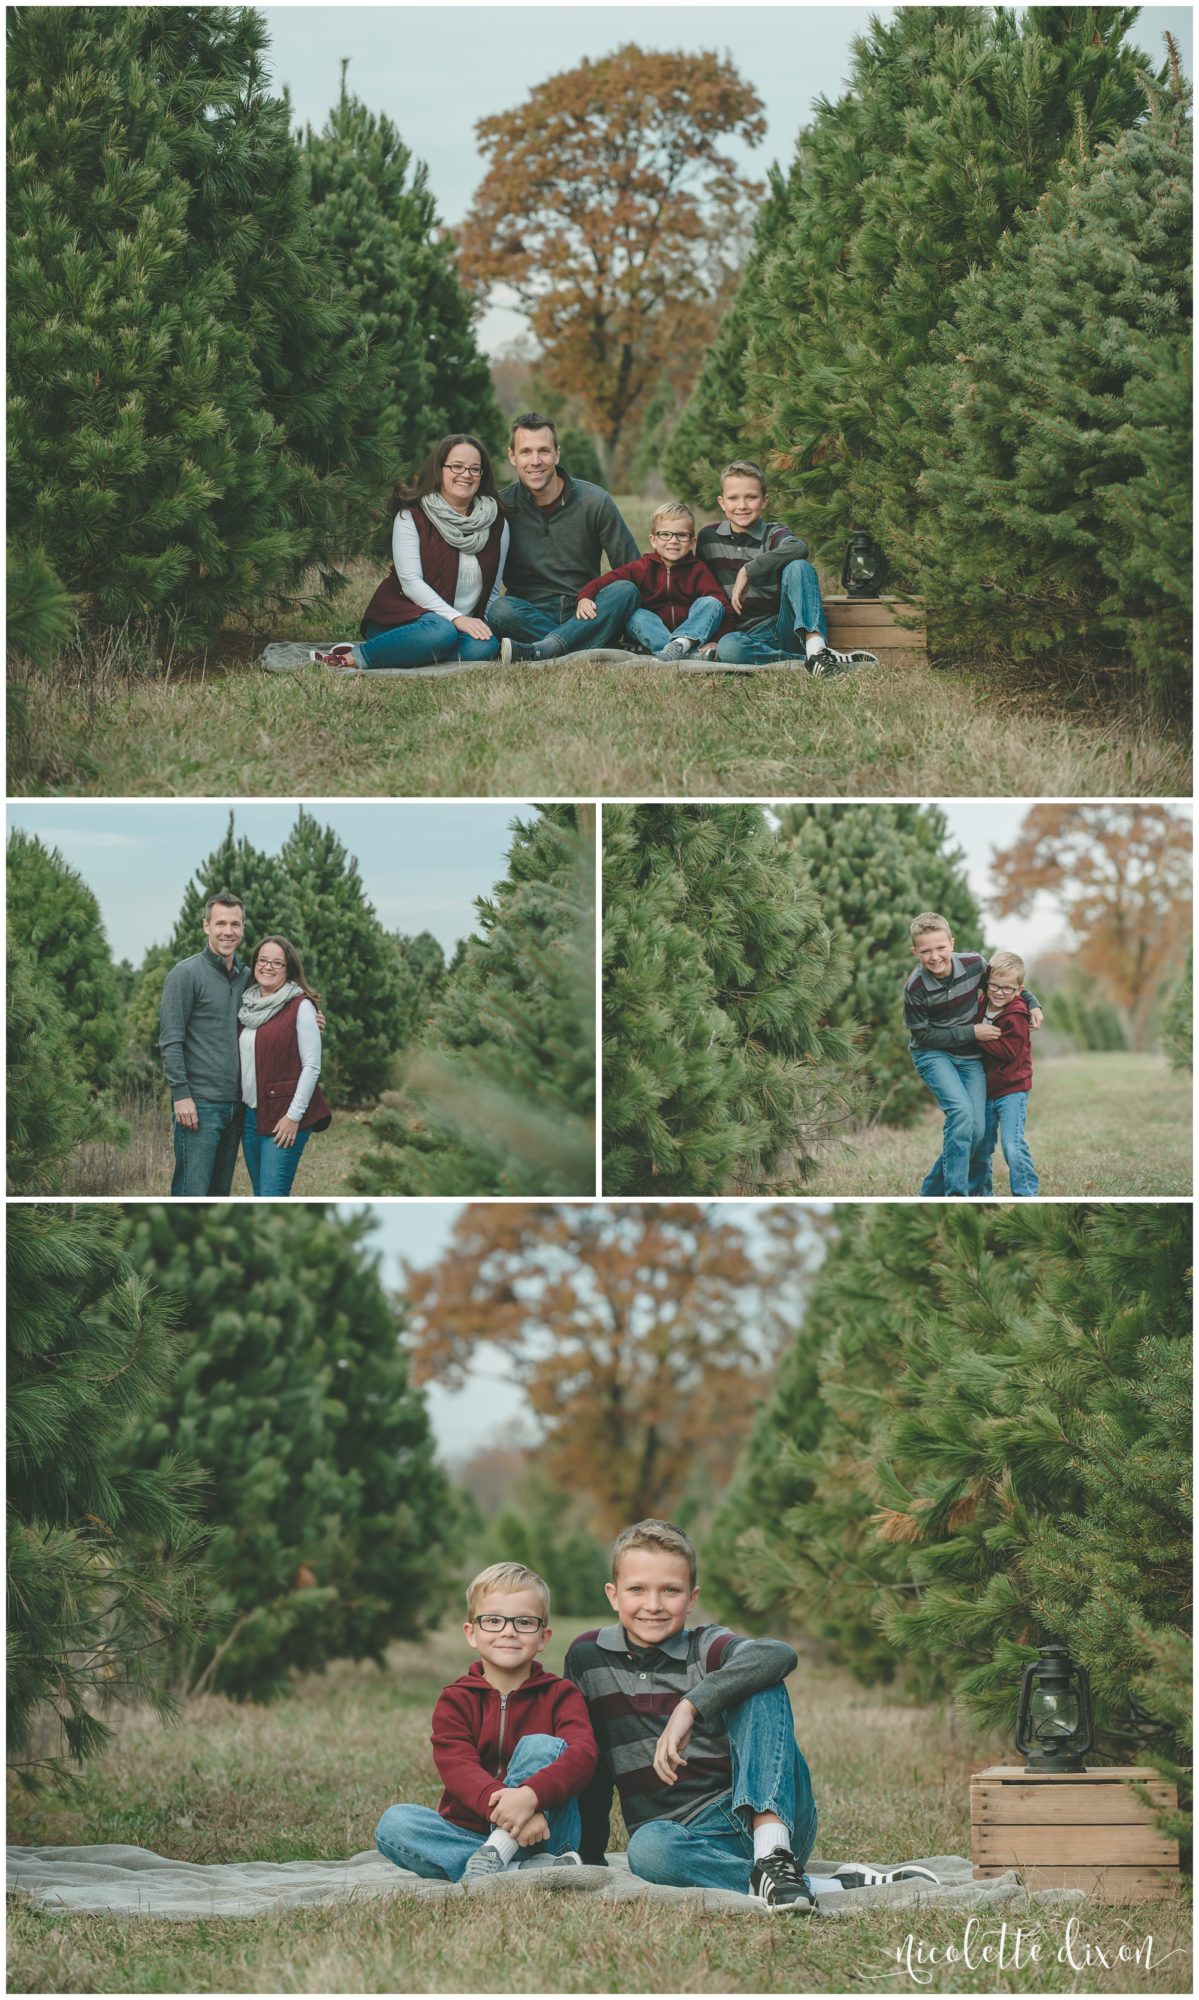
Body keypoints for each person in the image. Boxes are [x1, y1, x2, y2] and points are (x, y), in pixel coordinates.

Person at [565, 1519, 938, 1911]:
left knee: (760, 1678)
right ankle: (817, 1886)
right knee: (647, 1852)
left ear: (691, 1599)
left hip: (760, 1812)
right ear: (613, 1594)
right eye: (637, 1589)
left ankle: (774, 1856)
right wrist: (587, 1856)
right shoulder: (587, 1658)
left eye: (670, 1591)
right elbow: (592, 1760)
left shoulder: (706, 1646)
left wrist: (690, 1706)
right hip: (675, 1836)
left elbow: (778, 1653)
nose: (654, 1604)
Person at [374, 1562, 596, 1883]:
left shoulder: (560, 1694)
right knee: (395, 1824)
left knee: (541, 1746)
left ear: (543, 1636)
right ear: (471, 1633)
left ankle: (498, 1857)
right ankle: (517, 1870)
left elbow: (583, 1756)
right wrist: (504, 1807)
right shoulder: (456, 1698)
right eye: (493, 1621)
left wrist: (530, 1797)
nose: (508, 1631)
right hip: (472, 1835)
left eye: (524, 1622)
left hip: (544, 1833)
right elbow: (456, 1765)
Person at [312, 434, 509, 672]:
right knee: (440, 631)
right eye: (456, 466)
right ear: (439, 469)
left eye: (474, 469)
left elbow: (492, 591)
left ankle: (404, 651)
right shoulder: (412, 516)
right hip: (401, 618)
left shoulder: (497, 523)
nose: (466, 474)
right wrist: (456, 619)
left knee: (485, 647)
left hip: (457, 629)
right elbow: (410, 583)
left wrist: (483, 628)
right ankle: (352, 657)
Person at [903, 914, 1042, 1198]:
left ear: (952, 943)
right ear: (915, 952)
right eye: (926, 951)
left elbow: (1006, 985)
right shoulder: (915, 989)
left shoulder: (974, 964)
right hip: (934, 1054)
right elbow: (923, 1036)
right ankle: (956, 1195)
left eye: (941, 947)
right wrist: (972, 1033)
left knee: (977, 1136)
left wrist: (1033, 1003)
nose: (935, 956)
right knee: (962, 1115)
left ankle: (929, 1192)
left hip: (969, 1059)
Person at [489, 413, 643, 664]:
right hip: (529, 612)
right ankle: (586, 643)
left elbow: (633, 568)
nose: (535, 461)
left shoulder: (595, 501)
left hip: (586, 608)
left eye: (544, 451)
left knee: (626, 589)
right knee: (500, 610)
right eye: (526, 451)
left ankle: (544, 649)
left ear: (557, 454)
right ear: (512, 456)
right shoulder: (500, 506)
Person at [694, 460, 868, 674]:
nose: (742, 506)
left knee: (799, 567)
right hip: (741, 636)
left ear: (765, 501)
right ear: (721, 502)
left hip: (784, 628)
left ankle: (815, 647)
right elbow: (702, 589)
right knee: (729, 649)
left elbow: (799, 546)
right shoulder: (708, 538)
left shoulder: (773, 533)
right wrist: (712, 639)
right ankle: (812, 660)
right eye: (733, 498)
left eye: (751, 497)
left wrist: (748, 570)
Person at [159, 891, 251, 1196]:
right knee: (191, 1194)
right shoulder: (185, 974)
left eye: (235, 924)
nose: (228, 931)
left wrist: (309, 1014)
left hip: (235, 1105)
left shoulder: (247, 977)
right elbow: (171, 1040)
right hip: (199, 1105)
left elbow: (281, 997)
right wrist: (181, 1095)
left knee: (219, 1196)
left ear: (242, 928)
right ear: (206, 926)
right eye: (221, 923)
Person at [574, 500, 732, 661]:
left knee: (711, 603)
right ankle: (682, 653)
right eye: (665, 534)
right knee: (636, 614)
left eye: (681, 535)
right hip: (655, 633)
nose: (673, 541)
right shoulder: (643, 567)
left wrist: (717, 640)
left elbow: (724, 608)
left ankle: (680, 645)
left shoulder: (697, 569)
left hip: (692, 632)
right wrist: (585, 596)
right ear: (653, 540)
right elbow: (606, 580)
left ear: (692, 542)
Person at [238, 935, 331, 1198]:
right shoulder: (248, 1004)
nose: (268, 967)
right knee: (260, 1194)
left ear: (288, 969)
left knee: (272, 1195)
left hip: (286, 1115)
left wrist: (293, 1117)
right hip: (251, 1114)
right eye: (263, 960)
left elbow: (312, 1066)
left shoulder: (300, 1006)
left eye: (277, 963)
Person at [976, 950, 1040, 1197]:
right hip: (986, 1088)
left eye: (1007, 989)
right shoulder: (982, 1003)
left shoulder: (1017, 1014)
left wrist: (976, 1037)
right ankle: (981, 1193)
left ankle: (1026, 1192)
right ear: (986, 982)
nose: (999, 993)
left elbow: (1008, 1050)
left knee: (1012, 1145)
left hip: (1013, 1088)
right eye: (994, 986)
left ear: (1019, 989)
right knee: (982, 1146)